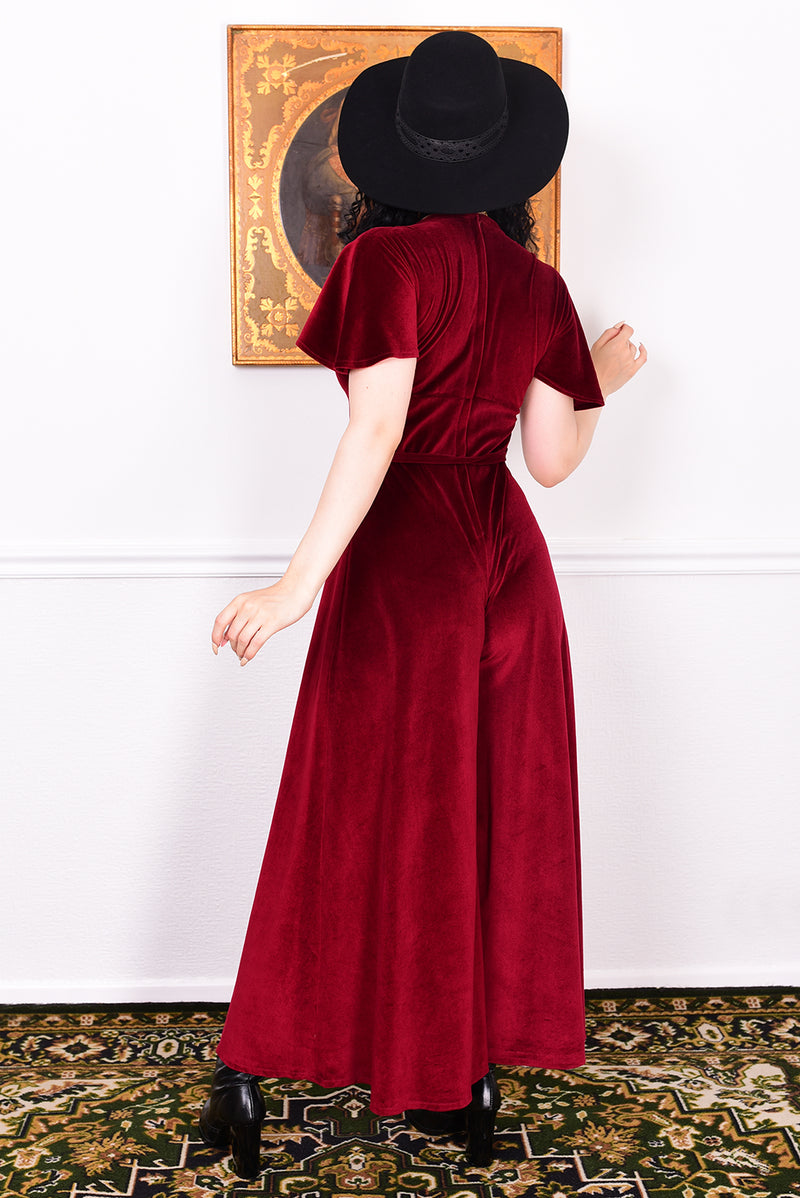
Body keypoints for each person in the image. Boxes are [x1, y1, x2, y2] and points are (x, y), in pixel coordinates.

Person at [200, 29, 647, 1181]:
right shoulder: (534, 286)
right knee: (478, 820)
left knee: (341, 815)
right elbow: (547, 461)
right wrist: (601, 377)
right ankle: (464, 1080)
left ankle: (250, 1071)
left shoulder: (384, 269)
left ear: (393, 158)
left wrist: (293, 584)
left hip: (406, 563)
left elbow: (376, 427)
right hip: (506, 565)